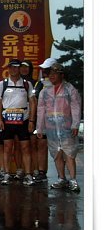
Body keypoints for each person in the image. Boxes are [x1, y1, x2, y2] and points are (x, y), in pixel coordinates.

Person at [36, 63, 82, 192]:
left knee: (69, 153)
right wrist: (39, 128)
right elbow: (41, 110)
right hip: (51, 128)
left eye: (55, 74)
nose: (51, 76)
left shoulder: (69, 89)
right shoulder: (45, 91)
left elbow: (76, 107)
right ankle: (61, 178)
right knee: (56, 154)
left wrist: (75, 124)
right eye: (50, 74)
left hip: (66, 127)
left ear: (61, 75)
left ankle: (73, 180)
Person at [0, 59, 37, 185]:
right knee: (7, 147)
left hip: (23, 120)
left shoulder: (27, 84)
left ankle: (28, 175)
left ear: (19, 69)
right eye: (11, 67)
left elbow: (33, 102)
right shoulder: (2, 84)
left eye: (16, 67)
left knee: (25, 147)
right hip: (7, 120)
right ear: (8, 68)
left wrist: (31, 120)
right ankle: (7, 174)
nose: (14, 69)